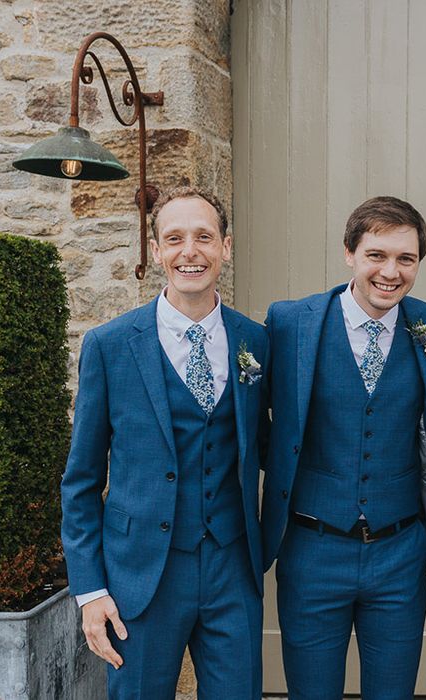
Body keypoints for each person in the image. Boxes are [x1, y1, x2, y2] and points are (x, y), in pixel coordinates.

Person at [61, 186, 269, 699]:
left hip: (231, 567)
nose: (189, 252)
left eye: (204, 237)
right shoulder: (109, 346)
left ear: (227, 246)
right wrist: (90, 592)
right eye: (174, 239)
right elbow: (81, 481)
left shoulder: (255, 341)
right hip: (140, 575)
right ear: (156, 251)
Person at [261, 195, 426, 700]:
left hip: (400, 552)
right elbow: (250, 418)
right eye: (377, 255)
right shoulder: (289, 323)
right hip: (311, 549)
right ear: (350, 252)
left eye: (406, 259)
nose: (391, 272)